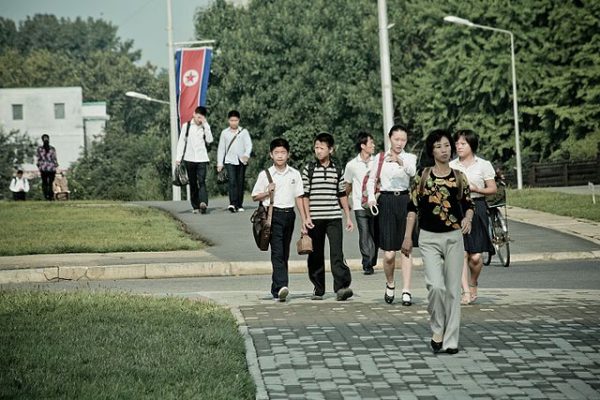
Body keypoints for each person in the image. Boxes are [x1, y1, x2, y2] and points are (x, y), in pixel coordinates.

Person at [401, 129, 474, 355]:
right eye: (439, 146)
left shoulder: (459, 177)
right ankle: (438, 329)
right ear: (431, 150)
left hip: (453, 237)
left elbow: (469, 203)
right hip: (429, 238)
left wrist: (468, 219)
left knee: (453, 290)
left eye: (447, 145)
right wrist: (406, 237)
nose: (444, 150)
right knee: (435, 286)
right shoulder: (422, 177)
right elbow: (412, 208)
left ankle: (451, 341)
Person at [367, 125, 417, 306]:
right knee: (389, 254)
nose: (400, 143)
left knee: (406, 248)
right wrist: (372, 198)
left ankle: (406, 290)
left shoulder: (410, 158)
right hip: (386, 201)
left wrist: (399, 161)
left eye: (403, 140)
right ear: (390, 138)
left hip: (404, 201)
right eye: (396, 139)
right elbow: (371, 180)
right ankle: (390, 283)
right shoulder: (379, 158)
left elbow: (413, 173)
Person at [301, 132, 354, 301]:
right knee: (315, 254)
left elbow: (342, 194)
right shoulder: (309, 169)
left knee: (337, 253)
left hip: (333, 218)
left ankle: (341, 288)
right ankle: (318, 288)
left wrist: (348, 217)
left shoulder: (337, 169)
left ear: (330, 149)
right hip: (314, 219)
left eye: (322, 148)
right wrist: (306, 218)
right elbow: (304, 196)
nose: (318, 151)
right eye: (316, 147)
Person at [251, 138, 305, 302]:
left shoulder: (294, 174)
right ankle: (282, 285)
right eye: (276, 153)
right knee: (277, 251)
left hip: (289, 214)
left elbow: (299, 198)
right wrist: (267, 192)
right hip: (272, 215)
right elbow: (254, 196)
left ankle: (276, 288)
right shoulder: (265, 174)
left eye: (283, 153)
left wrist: (305, 220)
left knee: (285, 251)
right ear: (271, 155)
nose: (280, 156)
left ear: (288, 154)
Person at [450, 129, 497, 304]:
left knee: (476, 256)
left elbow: (492, 189)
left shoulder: (483, 164)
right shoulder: (452, 165)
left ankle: (473, 282)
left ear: (471, 145)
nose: (458, 147)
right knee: (461, 253)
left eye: (463, 144)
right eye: (457, 144)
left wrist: (477, 189)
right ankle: (465, 292)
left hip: (478, 207)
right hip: (457, 209)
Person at [343, 132, 378, 275]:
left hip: (375, 204)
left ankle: (372, 258)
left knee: (374, 233)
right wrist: (345, 201)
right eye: (371, 143)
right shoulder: (352, 165)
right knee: (364, 233)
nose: (374, 146)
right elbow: (348, 184)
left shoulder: (377, 162)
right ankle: (367, 263)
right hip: (359, 205)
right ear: (363, 146)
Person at [176, 106, 214, 214]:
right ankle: (195, 205)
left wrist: (206, 125)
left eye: (201, 117)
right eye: (198, 117)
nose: (199, 119)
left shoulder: (204, 127)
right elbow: (181, 142)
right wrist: (178, 158)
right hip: (189, 158)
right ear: (194, 114)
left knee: (201, 181)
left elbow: (210, 140)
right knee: (193, 183)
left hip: (202, 158)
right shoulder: (186, 126)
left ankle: (203, 203)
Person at [217, 110, 252, 213]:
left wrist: (246, 155)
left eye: (236, 120)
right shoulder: (224, 133)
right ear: (228, 121)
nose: (234, 122)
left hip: (241, 160)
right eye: (232, 120)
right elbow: (221, 148)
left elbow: (248, 145)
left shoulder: (243, 132)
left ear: (239, 120)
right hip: (229, 160)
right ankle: (232, 203)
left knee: (240, 182)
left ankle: (239, 204)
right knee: (232, 181)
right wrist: (220, 163)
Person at [36, 134, 58, 200]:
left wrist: (39, 166)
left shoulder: (39, 149)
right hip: (51, 168)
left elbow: (38, 159)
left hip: (43, 168)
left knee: (45, 183)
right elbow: (54, 159)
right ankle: (50, 196)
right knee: (50, 183)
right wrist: (56, 165)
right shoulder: (52, 148)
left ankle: (46, 196)